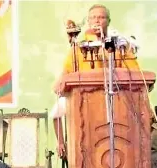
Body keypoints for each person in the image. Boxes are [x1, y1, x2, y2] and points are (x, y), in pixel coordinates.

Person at [52, 4, 141, 156]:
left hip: (115, 100)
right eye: (93, 17)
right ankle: (62, 144)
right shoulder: (79, 47)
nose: (97, 21)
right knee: (55, 112)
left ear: (108, 21)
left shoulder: (118, 45)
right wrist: (61, 82)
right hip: (82, 100)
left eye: (101, 17)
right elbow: (63, 76)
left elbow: (135, 73)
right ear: (88, 21)